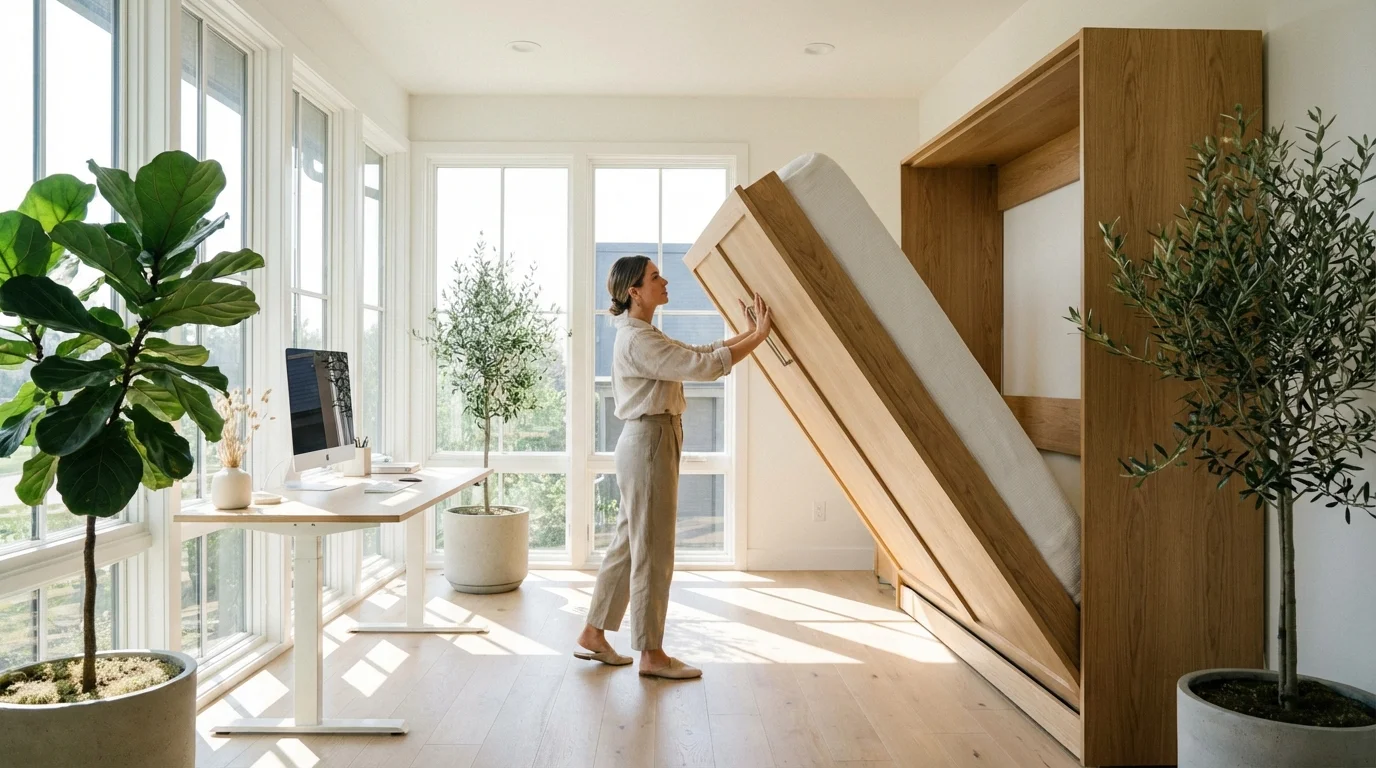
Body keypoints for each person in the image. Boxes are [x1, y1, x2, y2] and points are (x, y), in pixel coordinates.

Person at [575, 254, 772, 679]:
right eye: (655, 277)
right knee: (654, 551)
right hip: (650, 441)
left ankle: (594, 633)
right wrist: (758, 337)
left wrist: (749, 334)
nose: (665, 282)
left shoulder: (642, 333)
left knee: (631, 543)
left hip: (649, 439)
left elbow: (697, 352)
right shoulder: (639, 340)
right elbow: (701, 367)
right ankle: (652, 654)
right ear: (634, 292)